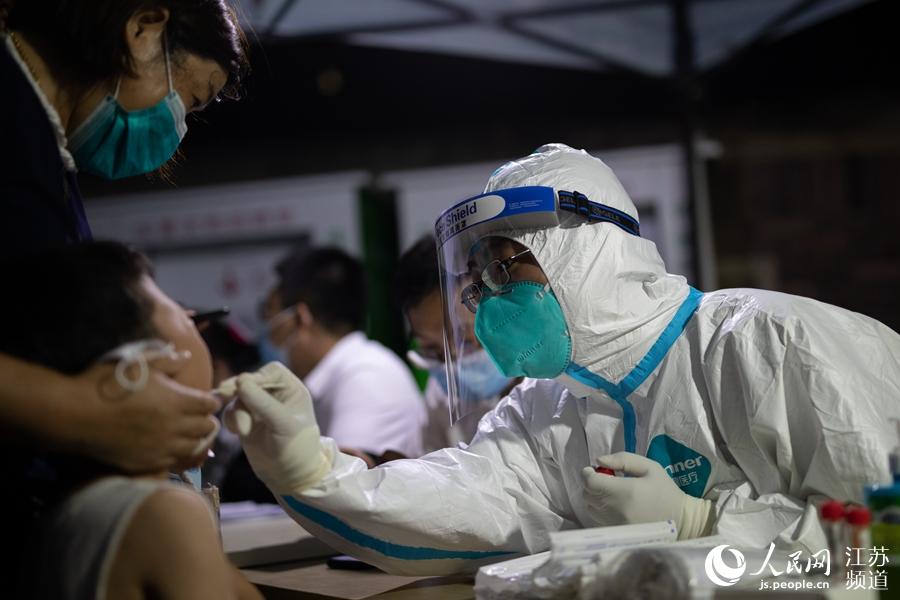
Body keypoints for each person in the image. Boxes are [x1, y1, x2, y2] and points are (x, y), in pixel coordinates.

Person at [222, 143, 900, 576]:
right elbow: (462, 505)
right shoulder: (547, 407)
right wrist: (310, 468)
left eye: (508, 265)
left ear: (589, 250)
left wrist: (707, 525)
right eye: (479, 275)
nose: (487, 294)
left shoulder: (768, 342)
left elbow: (881, 555)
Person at [0, 0, 248, 476]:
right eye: (190, 102)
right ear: (142, 30)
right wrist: (80, 412)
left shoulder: (49, 156)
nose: (176, 130)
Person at [0, 242, 261, 599]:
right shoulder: (166, 514)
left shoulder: (62, 515)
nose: (198, 326)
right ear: (136, 367)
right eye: (185, 319)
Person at [262, 246, 426, 461]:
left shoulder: (366, 375)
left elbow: (346, 482)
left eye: (272, 317)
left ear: (301, 317)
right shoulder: (345, 372)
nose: (268, 332)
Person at [394, 234, 516, 452]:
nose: (452, 359)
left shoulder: (553, 383)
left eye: (464, 340)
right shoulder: (442, 396)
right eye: (433, 349)